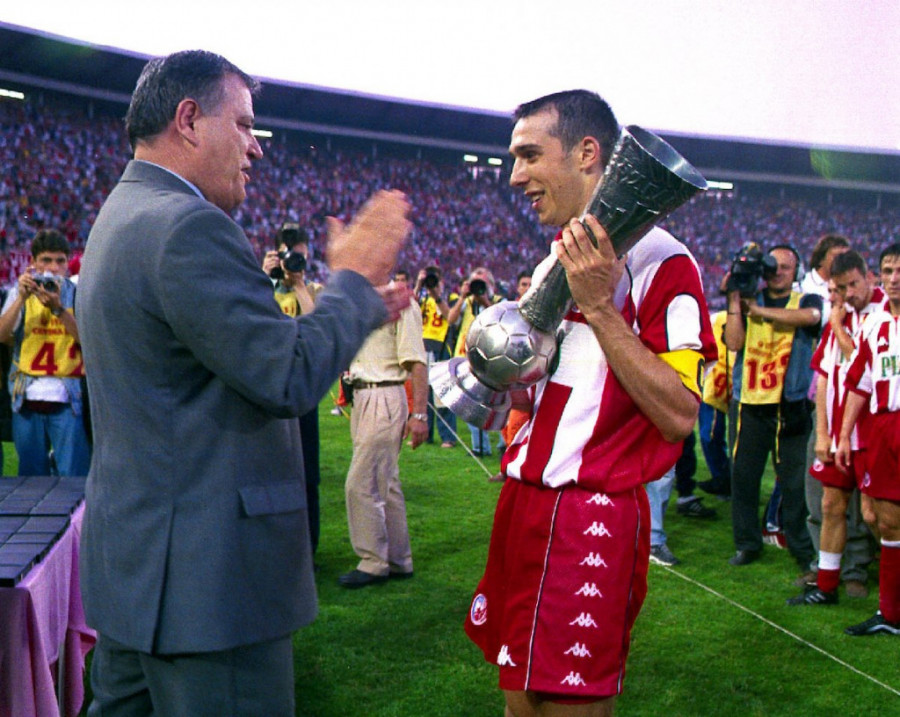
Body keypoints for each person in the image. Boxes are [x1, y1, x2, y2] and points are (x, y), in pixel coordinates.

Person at [76, 50, 412, 715]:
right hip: (208, 588)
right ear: (189, 120)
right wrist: (350, 283)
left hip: (137, 573)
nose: (255, 147)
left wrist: (349, 305)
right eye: (245, 125)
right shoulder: (189, 225)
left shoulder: (121, 214)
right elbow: (285, 374)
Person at [463, 90, 716, 714]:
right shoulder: (556, 256)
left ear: (586, 153)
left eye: (529, 155)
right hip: (524, 500)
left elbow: (680, 414)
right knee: (519, 702)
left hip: (589, 514)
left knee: (570, 706)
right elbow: (552, 394)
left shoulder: (664, 262)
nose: (515, 175)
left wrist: (600, 307)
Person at [788, 250, 881, 606]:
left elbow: (861, 366)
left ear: (869, 277)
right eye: (840, 288)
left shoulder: (884, 312)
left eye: (853, 285)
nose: (847, 294)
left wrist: (839, 326)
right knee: (830, 504)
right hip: (839, 430)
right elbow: (825, 376)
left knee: (877, 515)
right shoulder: (842, 315)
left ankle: (878, 578)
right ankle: (826, 585)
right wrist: (824, 432)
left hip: (871, 430)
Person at [724, 245, 821, 571]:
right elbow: (733, 343)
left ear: (797, 273)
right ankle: (747, 544)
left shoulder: (805, 300)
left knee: (794, 485)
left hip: (790, 405)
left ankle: (801, 547)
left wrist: (759, 311)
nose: (778, 272)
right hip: (750, 403)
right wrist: (735, 299)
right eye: (772, 266)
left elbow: (810, 318)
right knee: (744, 479)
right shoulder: (748, 299)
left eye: (785, 267)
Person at [338, 274, 427, 588]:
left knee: (360, 483)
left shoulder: (402, 302)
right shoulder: (360, 301)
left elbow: (417, 361)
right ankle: (399, 559)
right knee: (385, 482)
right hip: (363, 394)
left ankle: (373, 561)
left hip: (384, 393)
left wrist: (420, 414)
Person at [835, 243, 900, 636]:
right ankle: (890, 614)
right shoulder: (874, 324)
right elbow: (859, 382)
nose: (895, 279)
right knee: (884, 520)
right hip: (882, 426)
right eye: (889, 271)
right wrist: (844, 435)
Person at [0, 228, 90, 476]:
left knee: (73, 478)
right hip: (27, 396)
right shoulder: (19, 292)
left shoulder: (78, 294)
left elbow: (87, 340)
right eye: (46, 260)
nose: (53, 268)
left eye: (60, 261)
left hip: (68, 397)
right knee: (30, 480)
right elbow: (2, 335)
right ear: (33, 263)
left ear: (68, 264)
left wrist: (58, 310)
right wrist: (20, 298)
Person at [263, 222, 325, 556]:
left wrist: (299, 285)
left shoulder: (312, 290)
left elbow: (317, 330)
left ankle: (308, 549)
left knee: (308, 474)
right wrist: (263, 276)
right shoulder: (263, 286)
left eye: (299, 257)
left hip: (302, 389)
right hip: (267, 386)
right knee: (270, 472)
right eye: (289, 257)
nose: (294, 264)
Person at [448, 265, 501, 456]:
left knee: (497, 402)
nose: (478, 287)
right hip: (466, 357)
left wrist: (485, 301)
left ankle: (505, 442)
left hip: (491, 357)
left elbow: (499, 319)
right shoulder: (466, 302)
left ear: (491, 285)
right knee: (470, 403)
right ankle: (479, 446)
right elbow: (451, 320)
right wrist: (462, 296)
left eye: (482, 283)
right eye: (475, 283)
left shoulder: (498, 301)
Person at [414, 264, 457, 447]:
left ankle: (448, 436)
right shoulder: (422, 298)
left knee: (443, 392)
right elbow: (409, 307)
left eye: (435, 280)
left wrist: (437, 296)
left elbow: (451, 317)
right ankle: (427, 434)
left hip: (442, 346)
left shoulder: (450, 297)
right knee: (425, 392)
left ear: (441, 280)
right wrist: (418, 284)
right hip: (424, 345)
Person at [698, 308, 733, 497]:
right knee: (710, 435)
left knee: (716, 436)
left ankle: (725, 479)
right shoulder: (717, 318)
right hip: (714, 382)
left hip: (737, 383)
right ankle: (722, 478)